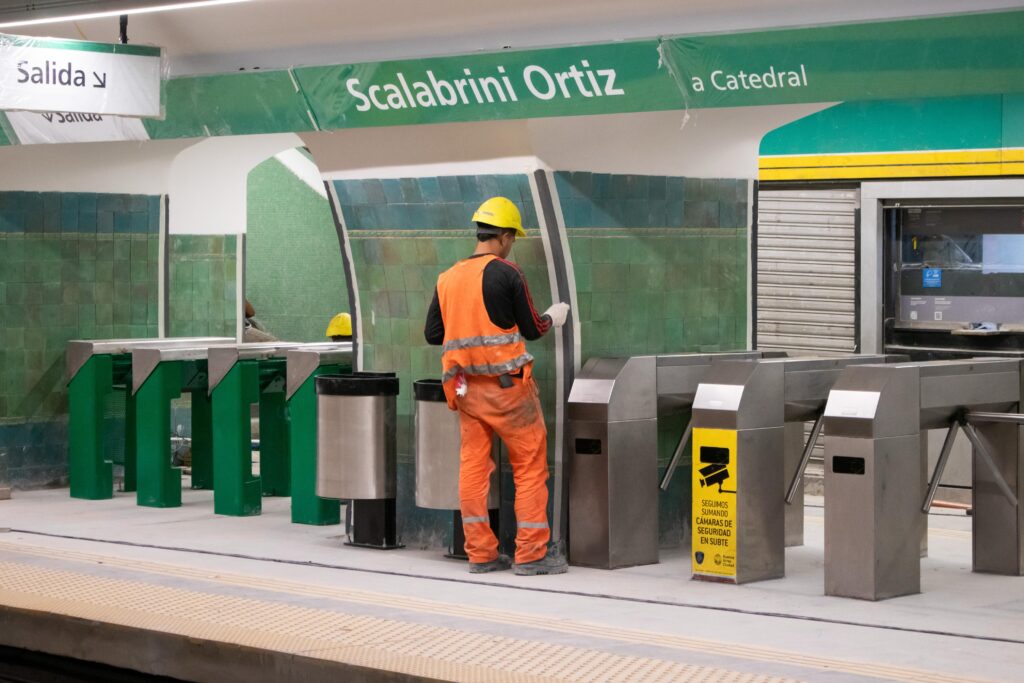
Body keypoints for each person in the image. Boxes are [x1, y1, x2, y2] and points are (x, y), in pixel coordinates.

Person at [424, 196, 570, 576]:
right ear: (504, 236)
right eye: (513, 238)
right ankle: (531, 555)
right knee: (529, 469)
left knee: (473, 469)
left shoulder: (447, 278)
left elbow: (432, 334)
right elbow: (534, 330)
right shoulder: (508, 273)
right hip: (508, 392)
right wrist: (554, 317)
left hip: (465, 391)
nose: (512, 244)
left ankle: (481, 555)